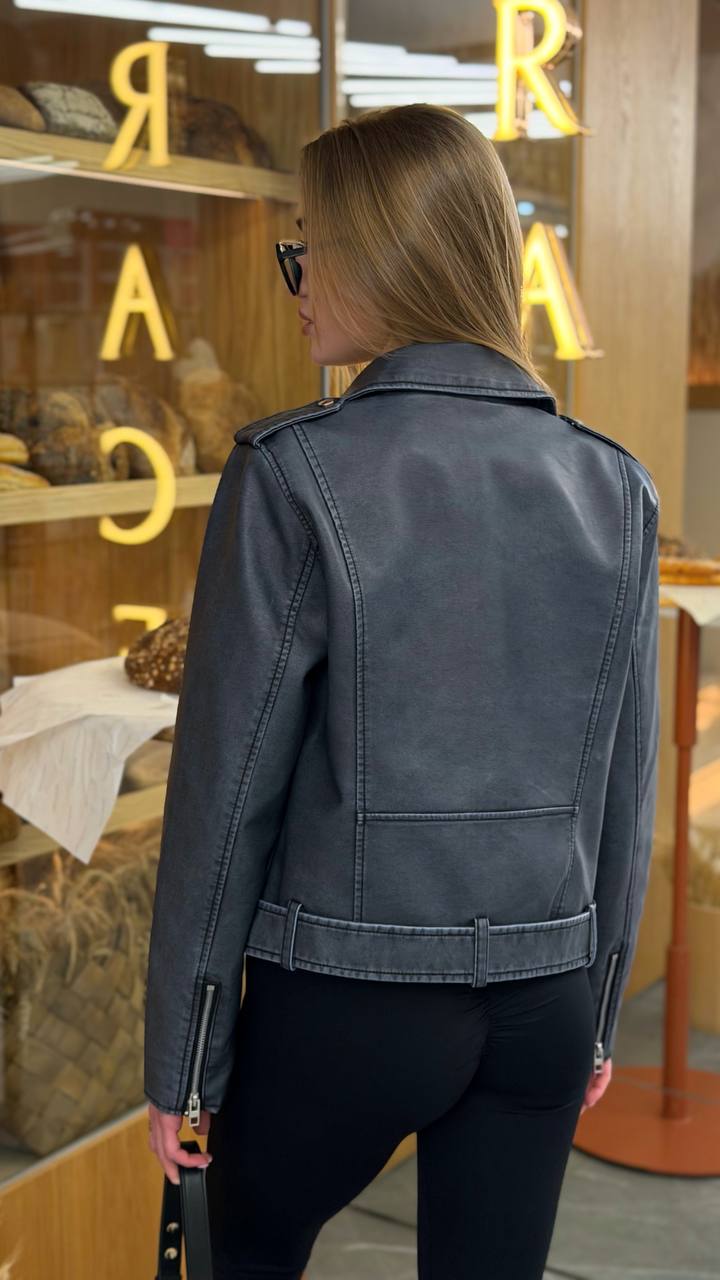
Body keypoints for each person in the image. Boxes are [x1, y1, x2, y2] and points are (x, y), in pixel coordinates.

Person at [144, 103, 660, 1279]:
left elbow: (225, 802)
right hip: (542, 1000)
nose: (296, 279)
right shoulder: (614, 485)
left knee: (239, 1254)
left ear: (384, 254)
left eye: (308, 245)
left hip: (344, 999)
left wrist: (182, 1060)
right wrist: (596, 1006)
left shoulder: (291, 473)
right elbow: (623, 789)